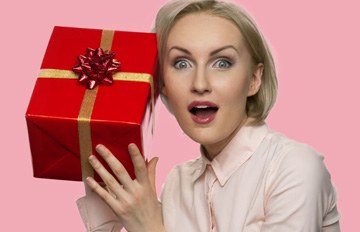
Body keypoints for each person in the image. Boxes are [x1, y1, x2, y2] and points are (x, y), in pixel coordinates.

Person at [76, 0, 341, 231]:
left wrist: (150, 228)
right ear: (163, 85)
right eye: (181, 63)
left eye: (222, 63)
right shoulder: (178, 184)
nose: (200, 83)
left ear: (254, 79)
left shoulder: (294, 168)